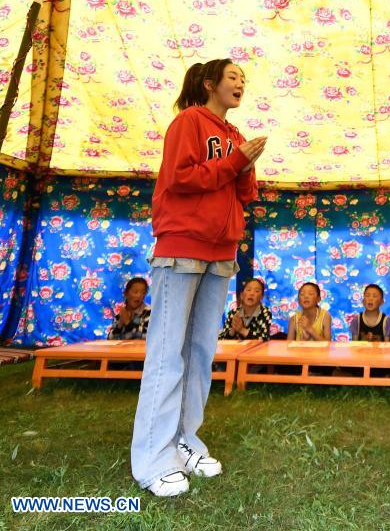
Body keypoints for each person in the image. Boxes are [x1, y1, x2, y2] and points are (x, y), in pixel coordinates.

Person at [131, 59, 266, 497]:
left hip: (222, 251)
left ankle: (185, 441)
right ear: (210, 84)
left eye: (243, 79)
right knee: (167, 353)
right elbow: (180, 179)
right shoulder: (188, 122)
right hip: (182, 246)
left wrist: (244, 165)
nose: (240, 83)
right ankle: (153, 459)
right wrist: (234, 162)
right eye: (233, 77)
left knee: (201, 353)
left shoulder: (236, 135)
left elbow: (245, 194)